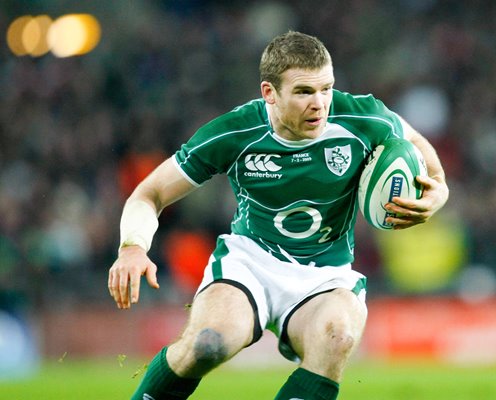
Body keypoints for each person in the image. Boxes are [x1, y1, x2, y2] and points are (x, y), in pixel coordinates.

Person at [108, 31, 448, 400]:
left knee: (338, 336)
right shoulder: (236, 131)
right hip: (250, 263)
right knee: (208, 344)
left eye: (326, 88)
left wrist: (439, 187)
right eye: (304, 92)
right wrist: (132, 247)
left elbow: (414, 141)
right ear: (269, 92)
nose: (320, 104)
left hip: (326, 273)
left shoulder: (361, 116)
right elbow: (151, 192)